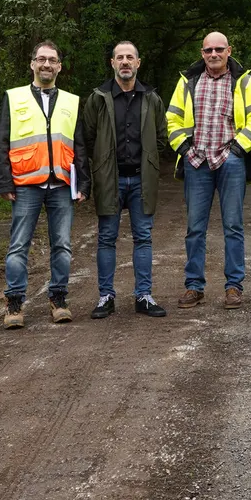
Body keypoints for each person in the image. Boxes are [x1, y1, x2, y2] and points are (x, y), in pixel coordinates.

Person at [166, 31, 251, 310]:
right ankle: (194, 286)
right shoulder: (187, 82)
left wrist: (237, 150)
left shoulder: (244, 82)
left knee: (233, 227)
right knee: (194, 229)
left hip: (231, 161)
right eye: (208, 50)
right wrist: (186, 150)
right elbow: (172, 120)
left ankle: (234, 287)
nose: (214, 54)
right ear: (202, 53)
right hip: (196, 162)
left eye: (219, 49)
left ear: (229, 51)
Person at [0, 40, 89, 328]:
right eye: (41, 59)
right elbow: (2, 142)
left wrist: (82, 182)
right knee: (18, 245)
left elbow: (80, 145)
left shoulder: (72, 101)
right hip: (25, 184)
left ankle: (58, 299)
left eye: (52, 60)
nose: (46, 64)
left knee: (62, 245)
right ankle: (14, 303)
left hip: (61, 184)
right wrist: (4, 182)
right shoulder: (14, 97)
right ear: (32, 63)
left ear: (60, 66)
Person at [83, 41, 170, 319]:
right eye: (119, 57)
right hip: (111, 178)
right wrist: (99, 168)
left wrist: (151, 162)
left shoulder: (152, 98)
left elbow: (161, 137)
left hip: (141, 179)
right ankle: (105, 297)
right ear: (112, 63)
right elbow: (88, 137)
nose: (124, 62)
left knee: (143, 238)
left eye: (129, 57)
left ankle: (143, 296)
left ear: (138, 63)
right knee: (107, 238)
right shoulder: (98, 97)